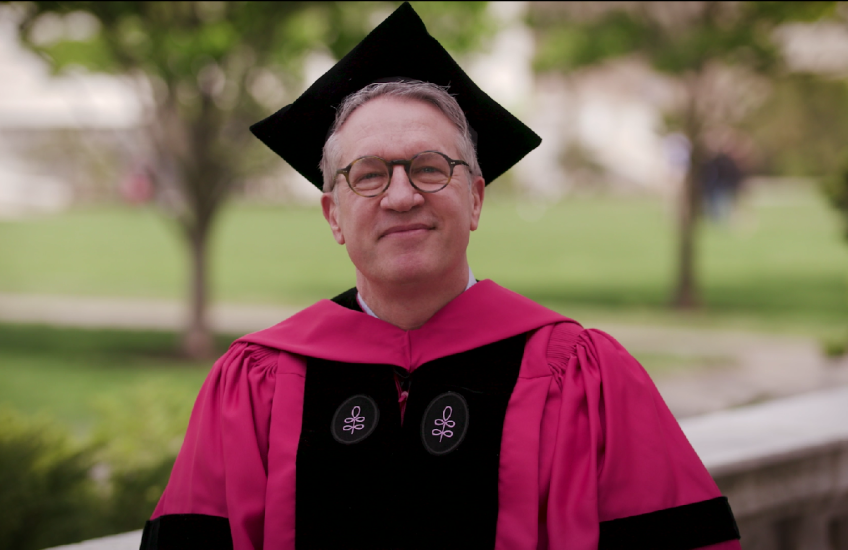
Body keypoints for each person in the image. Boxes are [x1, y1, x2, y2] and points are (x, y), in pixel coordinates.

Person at [141, 4, 741, 549]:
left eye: (430, 168)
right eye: (368, 175)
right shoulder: (255, 385)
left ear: (476, 199)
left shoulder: (586, 376)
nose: (401, 197)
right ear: (334, 216)